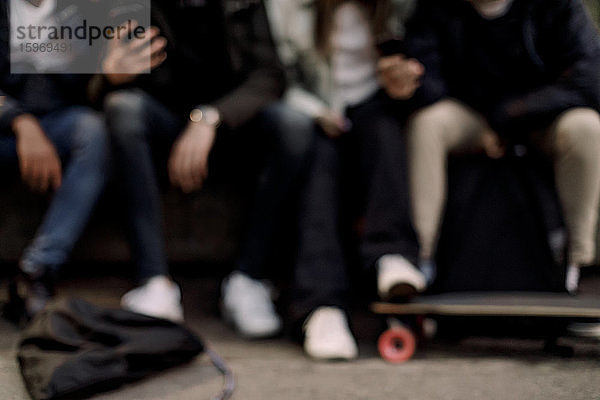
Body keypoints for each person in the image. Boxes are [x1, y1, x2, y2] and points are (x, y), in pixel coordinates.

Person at [96, 0, 303, 326]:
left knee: (293, 126)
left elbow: (271, 76)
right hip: (162, 126)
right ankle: (154, 282)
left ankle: (247, 279)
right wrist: (108, 76)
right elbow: (84, 92)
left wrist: (209, 118)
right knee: (123, 107)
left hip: (230, 127)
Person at [392, 0, 600, 297]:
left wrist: (513, 115)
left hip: (540, 118)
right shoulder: (434, 9)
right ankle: (420, 262)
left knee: (587, 128)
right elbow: (427, 83)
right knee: (427, 124)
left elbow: (590, 80)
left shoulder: (560, 6)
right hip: (472, 117)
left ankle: (577, 266)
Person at [266, 0, 424, 360]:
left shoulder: (400, 8)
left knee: (383, 133)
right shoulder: (291, 9)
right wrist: (318, 112)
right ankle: (321, 307)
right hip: (319, 111)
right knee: (320, 161)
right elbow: (279, 78)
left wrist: (407, 80)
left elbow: (434, 60)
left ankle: (393, 257)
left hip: (377, 110)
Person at [0, 0, 111, 319]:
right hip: (8, 124)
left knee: (94, 131)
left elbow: (94, 87)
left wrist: (109, 73)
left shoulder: (83, 8)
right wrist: (19, 121)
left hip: (60, 123)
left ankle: (38, 269)